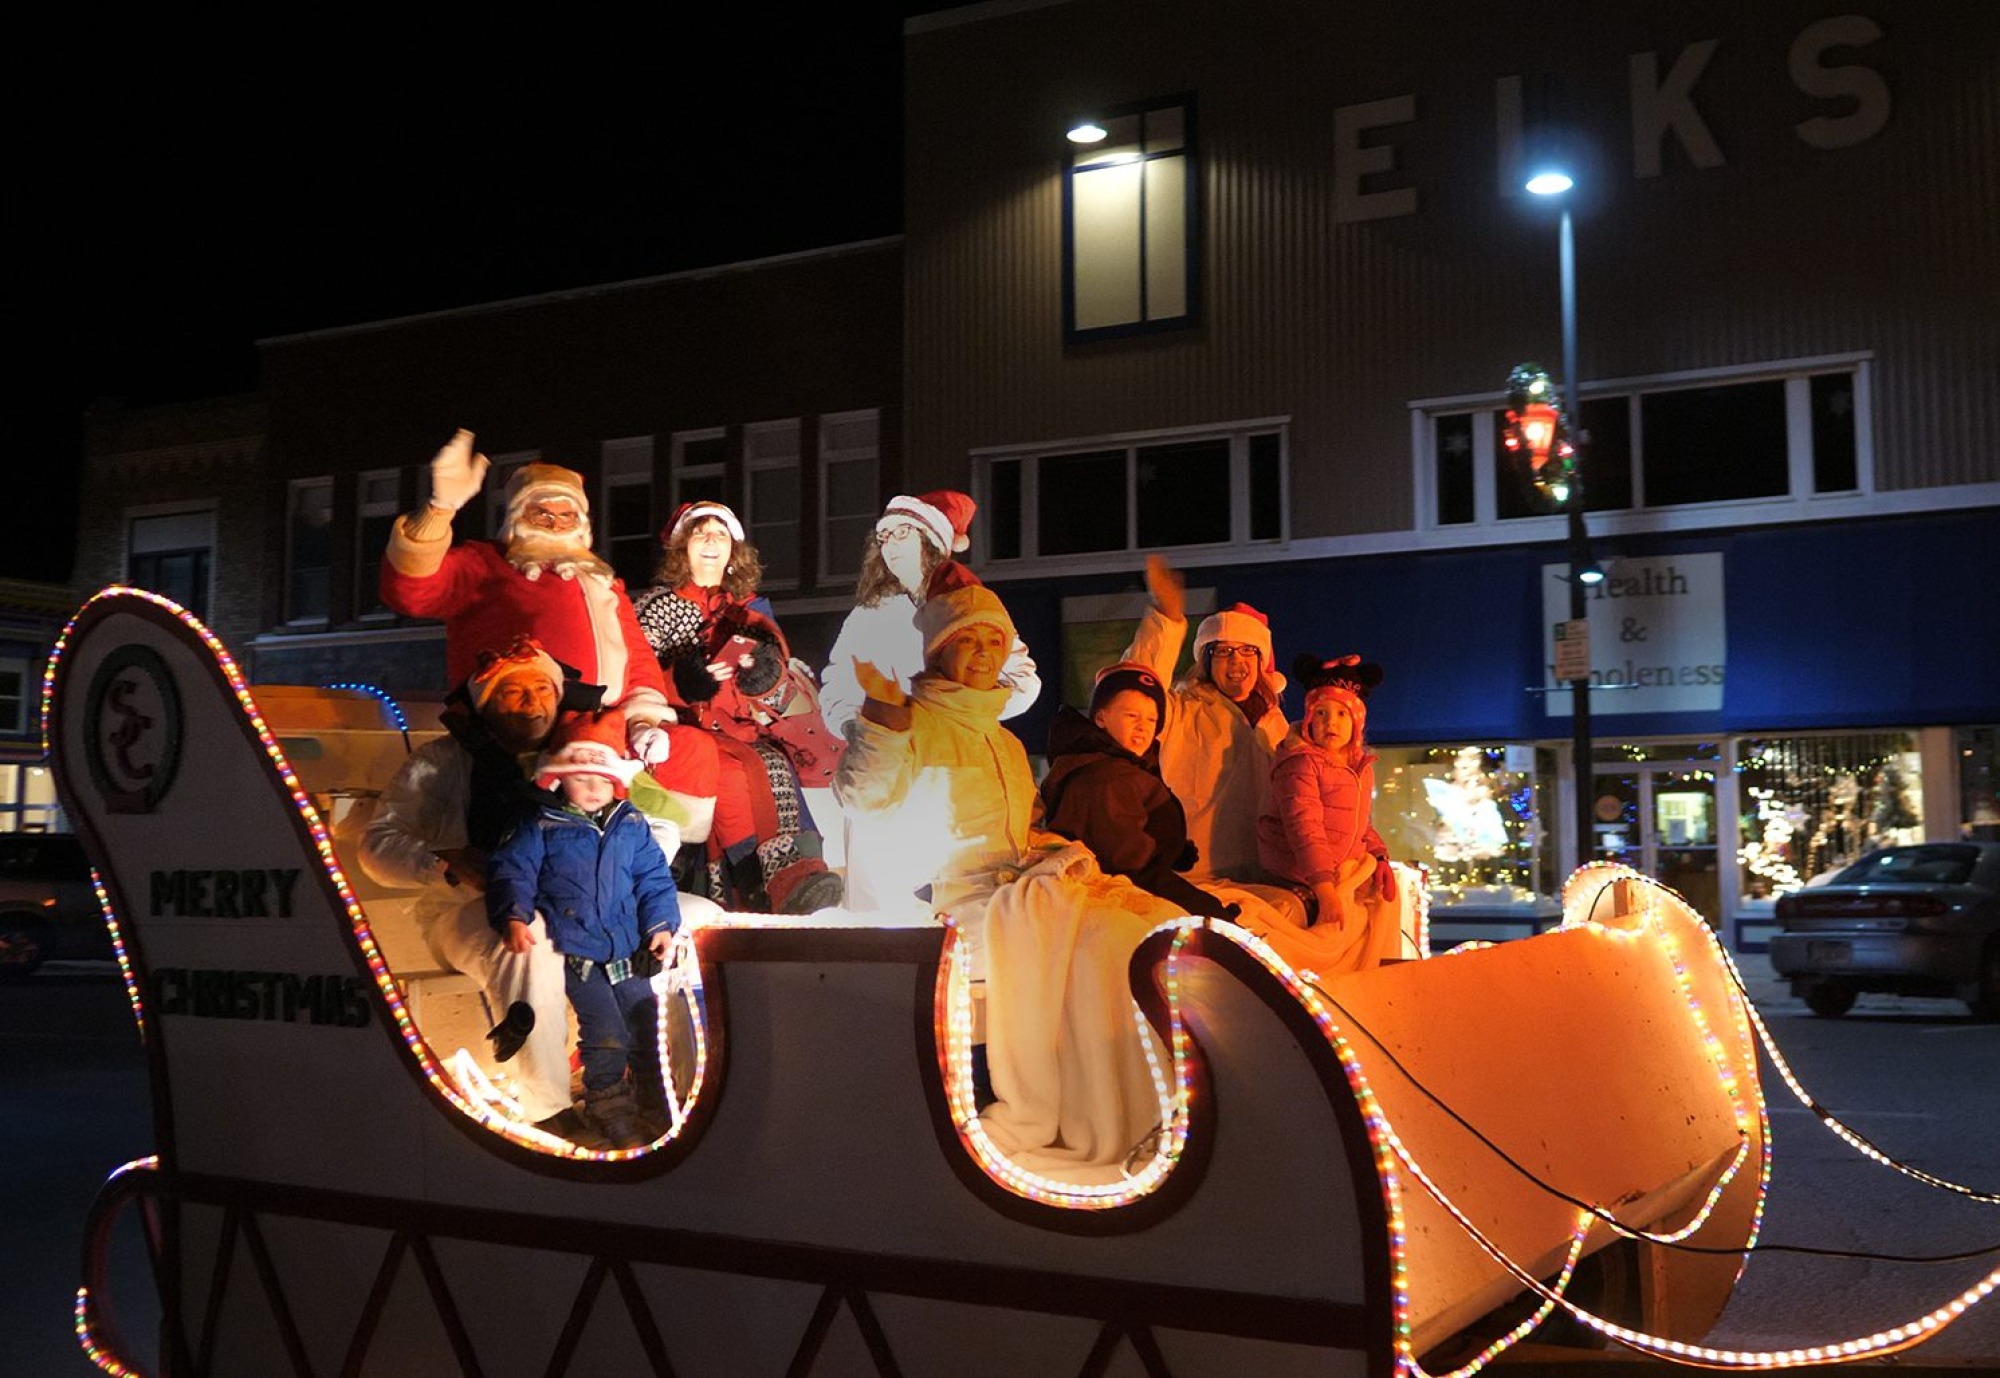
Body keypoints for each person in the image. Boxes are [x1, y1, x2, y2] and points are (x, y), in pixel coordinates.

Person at [834, 585, 1178, 1180]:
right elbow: (862, 797)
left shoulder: (1006, 740)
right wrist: (883, 720)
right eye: (968, 640)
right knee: (1107, 942)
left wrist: (1050, 849)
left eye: (995, 641)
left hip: (1017, 887)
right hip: (961, 900)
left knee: (1146, 923)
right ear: (938, 650)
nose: (984, 653)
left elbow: (1021, 830)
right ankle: (1103, 1116)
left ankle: (1151, 1105)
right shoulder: (911, 721)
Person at [359, 636, 721, 1137]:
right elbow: (377, 845)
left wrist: (618, 879)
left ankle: (679, 1082)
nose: (533, 703)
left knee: (699, 918)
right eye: (515, 692)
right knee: (532, 939)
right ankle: (546, 1107)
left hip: (592, 902)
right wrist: (446, 863)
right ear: (487, 701)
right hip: (476, 907)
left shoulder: (584, 750)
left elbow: (655, 827)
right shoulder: (444, 762)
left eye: (542, 690)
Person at [378, 429, 675, 768]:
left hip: (606, 732)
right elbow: (411, 591)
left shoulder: (601, 579)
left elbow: (637, 658)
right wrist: (440, 509)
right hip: (518, 728)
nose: (555, 524)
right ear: (518, 517)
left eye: (567, 516)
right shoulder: (486, 563)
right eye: (542, 514)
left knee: (695, 759)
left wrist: (644, 721)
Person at [819, 491, 1041, 914]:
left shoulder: (974, 608)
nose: (890, 543)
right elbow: (837, 688)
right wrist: (873, 732)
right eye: (883, 535)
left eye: (903, 532)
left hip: (955, 768)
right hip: (890, 766)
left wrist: (965, 717)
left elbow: (1024, 679)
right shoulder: (872, 615)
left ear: (932, 541)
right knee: (885, 908)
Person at [632, 501, 842, 914]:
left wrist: (760, 672)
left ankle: (797, 877)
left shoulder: (750, 610)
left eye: (721, 534)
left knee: (771, 765)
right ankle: (758, 881)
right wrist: (685, 680)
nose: (711, 540)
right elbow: (636, 675)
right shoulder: (656, 607)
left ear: (734, 550)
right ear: (682, 548)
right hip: (678, 729)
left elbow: (782, 677)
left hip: (739, 729)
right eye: (700, 533)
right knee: (728, 773)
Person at [486, 710, 682, 1149]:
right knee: (606, 1033)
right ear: (559, 778)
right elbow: (512, 870)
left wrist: (661, 924)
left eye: (602, 779)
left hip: (628, 948)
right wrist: (513, 915)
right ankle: (608, 1106)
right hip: (581, 954)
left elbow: (653, 879)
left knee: (647, 1023)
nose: (594, 788)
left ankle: (654, 1099)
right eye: (582, 778)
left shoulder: (630, 825)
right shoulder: (540, 824)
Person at [1120, 554, 1289, 888]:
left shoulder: (1279, 726)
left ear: (1260, 659)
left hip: (1266, 880)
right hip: (1195, 878)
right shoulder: (1180, 711)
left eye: (1246, 650)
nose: (1235, 660)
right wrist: (1166, 618)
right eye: (1223, 651)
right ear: (1207, 662)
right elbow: (1132, 690)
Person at [1039, 661, 1240, 922]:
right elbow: (1133, 866)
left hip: (1129, 890)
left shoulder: (1123, 766)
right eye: (1131, 716)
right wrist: (1207, 912)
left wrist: (1173, 849)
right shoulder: (1105, 780)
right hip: (1113, 906)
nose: (1143, 727)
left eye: (1152, 719)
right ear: (1101, 717)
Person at [1252, 655, 1404, 975]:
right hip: (1300, 870)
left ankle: (1377, 972)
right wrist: (1324, 889)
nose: (1330, 722)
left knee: (1387, 902)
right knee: (1333, 931)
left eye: (1340, 714)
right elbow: (1304, 827)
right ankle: (1327, 982)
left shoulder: (1359, 767)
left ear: (1356, 723)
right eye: (1320, 713)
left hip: (1337, 866)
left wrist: (1378, 856)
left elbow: (1359, 822)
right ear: (1308, 719)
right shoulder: (1300, 763)